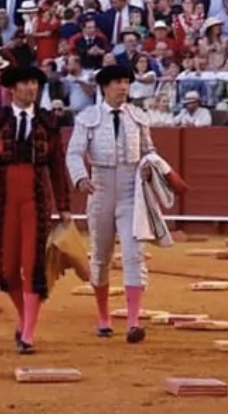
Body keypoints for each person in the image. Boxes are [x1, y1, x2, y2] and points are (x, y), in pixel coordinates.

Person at [0, 64, 72, 355]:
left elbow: (57, 168)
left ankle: (27, 334)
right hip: (7, 201)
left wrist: (63, 206)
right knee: (9, 270)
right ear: (12, 88)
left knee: (33, 266)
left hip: (37, 202)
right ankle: (25, 319)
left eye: (36, 84)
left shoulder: (48, 122)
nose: (32, 88)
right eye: (26, 83)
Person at [66, 64, 158, 344]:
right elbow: (73, 152)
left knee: (134, 254)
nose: (124, 87)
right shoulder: (88, 118)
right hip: (101, 188)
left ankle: (132, 322)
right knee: (101, 257)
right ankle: (104, 317)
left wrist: (149, 166)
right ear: (105, 87)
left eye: (127, 82)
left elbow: (149, 150)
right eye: (118, 82)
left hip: (132, 191)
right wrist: (81, 178)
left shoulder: (139, 117)